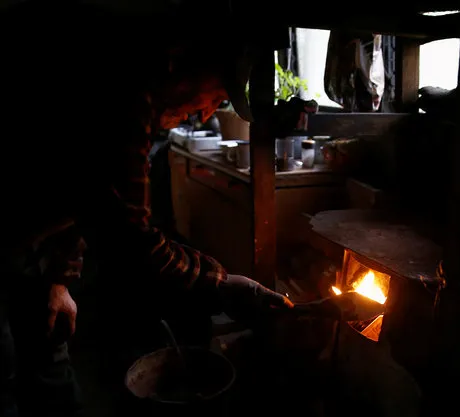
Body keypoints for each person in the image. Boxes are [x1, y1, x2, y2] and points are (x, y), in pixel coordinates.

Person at [0, 1, 301, 416]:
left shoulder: (139, 101)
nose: (210, 111)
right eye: (216, 93)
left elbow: (87, 205)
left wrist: (58, 281)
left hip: (37, 250)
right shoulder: (127, 96)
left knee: (49, 366)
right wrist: (221, 283)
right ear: (180, 61)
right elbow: (130, 241)